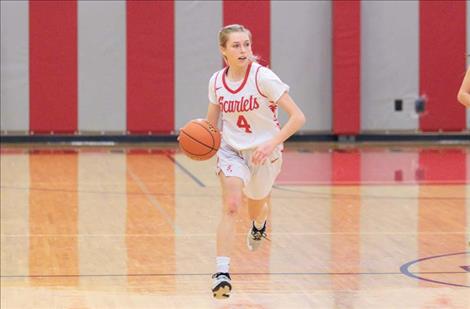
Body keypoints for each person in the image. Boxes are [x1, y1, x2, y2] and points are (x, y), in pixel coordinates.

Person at [206, 24, 306, 299]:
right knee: (231, 205)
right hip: (231, 150)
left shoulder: (264, 78)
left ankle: (259, 226)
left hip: (265, 152)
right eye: (236, 45)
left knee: (256, 205)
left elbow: (298, 117)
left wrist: (272, 142)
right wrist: (198, 137)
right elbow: (210, 125)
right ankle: (222, 272)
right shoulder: (216, 81)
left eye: (246, 44)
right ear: (223, 50)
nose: (243, 50)